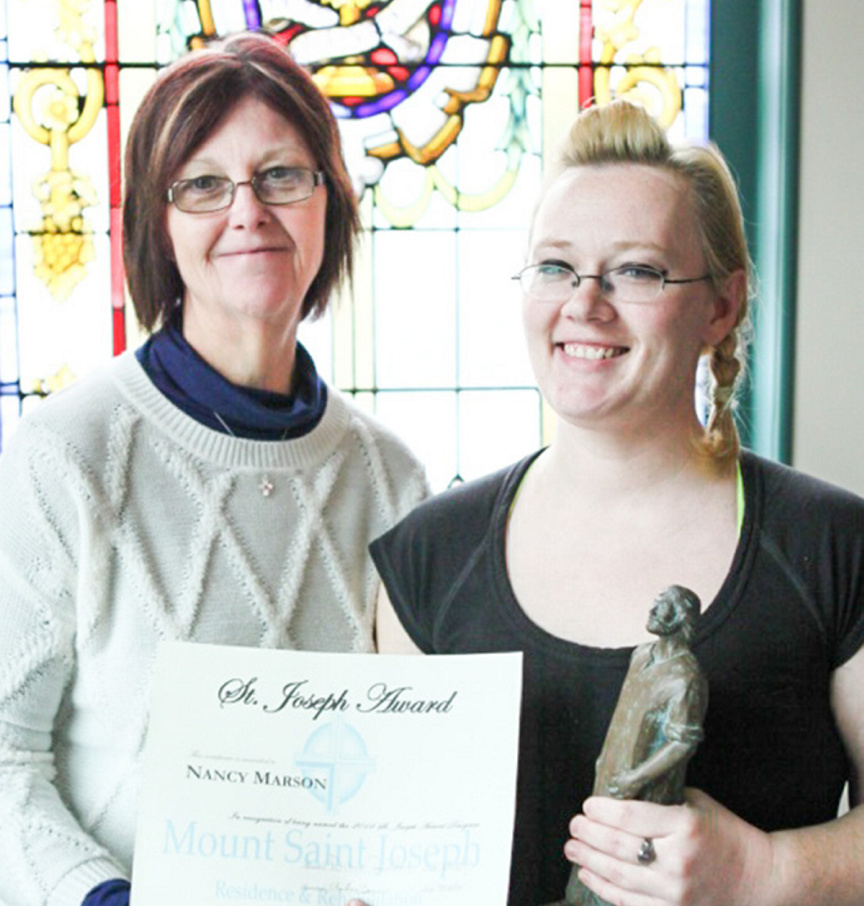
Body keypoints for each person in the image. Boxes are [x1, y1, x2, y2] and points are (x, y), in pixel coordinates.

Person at [371, 98, 864, 906]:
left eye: (636, 270)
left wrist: (763, 872)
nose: (584, 303)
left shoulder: (836, 547)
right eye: (556, 266)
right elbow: (396, 849)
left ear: (721, 305)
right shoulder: (427, 562)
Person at [0, 33, 427, 906]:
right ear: (157, 222)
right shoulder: (63, 455)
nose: (249, 212)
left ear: (328, 204)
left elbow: (413, 768)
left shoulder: (397, 483)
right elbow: (6, 756)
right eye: (202, 184)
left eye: (281, 176)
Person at [563, 585, 707, 906]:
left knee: (622, 872)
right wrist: (607, 762)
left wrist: (637, 777)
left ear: (681, 616)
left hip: (646, 790)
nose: (653, 609)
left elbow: (681, 743)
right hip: (611, 771)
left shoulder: (684, 678)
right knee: (589, 861)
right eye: (654, 601)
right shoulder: (641, 655)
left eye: (664, 605)